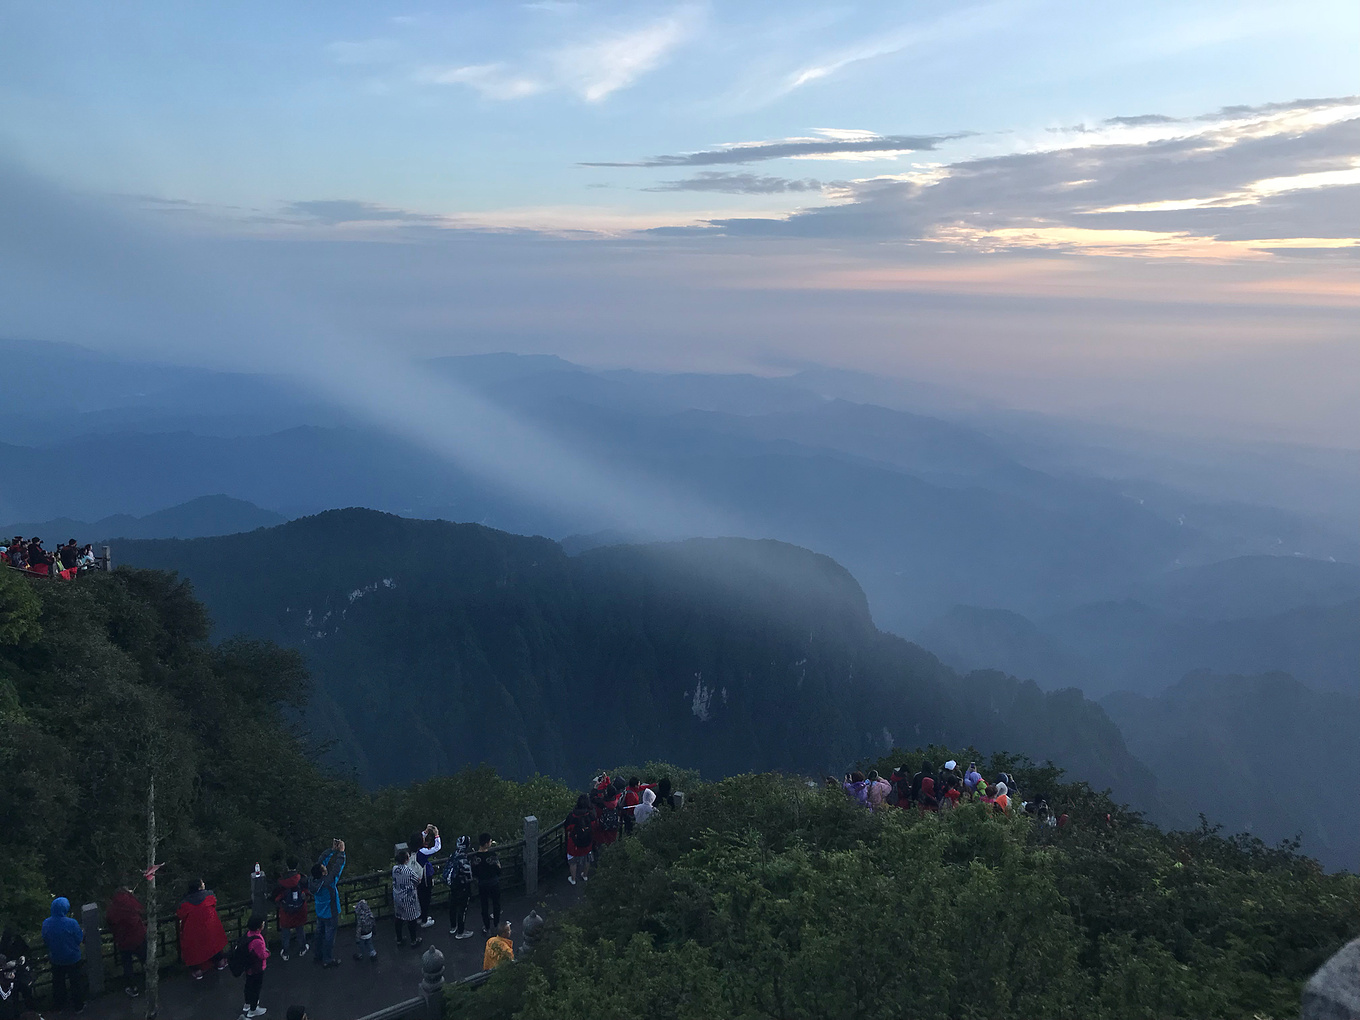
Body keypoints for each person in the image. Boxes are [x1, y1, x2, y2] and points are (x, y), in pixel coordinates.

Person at [177, 879, 228, 979]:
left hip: (192, 931)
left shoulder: (184, 903)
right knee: (213, 942)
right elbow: (214, 902)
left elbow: (180, 914)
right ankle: (219, 961)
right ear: (200, 887)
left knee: (194, 949)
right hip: (210, 927)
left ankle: (197, 971)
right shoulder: (209, 896)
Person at [42, 896, 86, 1011]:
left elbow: (45, 939)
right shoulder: (72, 923)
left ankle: (60, 1006)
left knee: (58, 984)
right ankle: (78, 1006)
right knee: (76, 983)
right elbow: (79, 939)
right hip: (73, 958)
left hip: (56, 958)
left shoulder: (46, 923)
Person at [106, 882, 147, 997]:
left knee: (127, 965)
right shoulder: (131, 902)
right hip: (138, 937)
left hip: (123, 940)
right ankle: (150, 981)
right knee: (145, 960)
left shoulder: (113, 908)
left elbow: (110, 921)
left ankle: (133, 988)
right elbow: (142, 909)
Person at [311, 839, 345, 968]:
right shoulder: (328, 882)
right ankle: (328, 959)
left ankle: (318, 955)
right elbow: (337, 868)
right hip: (331, 912)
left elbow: (320, 862)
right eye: (324, 868)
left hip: (320, 911)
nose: (325, 867)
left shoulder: (313, 881)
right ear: (323, 873)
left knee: (319, 934)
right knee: (329, 937)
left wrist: (332, 850)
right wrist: (341, 852)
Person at [270, 857, 310, 961]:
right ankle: (302, 948)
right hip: (300, 909)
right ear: (297, 865)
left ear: (287, 865)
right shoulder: (302, 878)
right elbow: (308, 892)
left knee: (285, 931)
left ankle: (285, 952)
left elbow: (275, 897)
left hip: (286, 911)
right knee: (300, 929)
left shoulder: (282, 881)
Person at [443, 836, 475, 939]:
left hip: (453, 885)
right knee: (462, 909)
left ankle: (453, 927)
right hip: (462, 886)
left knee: (453, 906)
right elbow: (468, 875)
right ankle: (461, 932)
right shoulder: (463, 858)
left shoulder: (453, 854)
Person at [470, 833, 502, 934]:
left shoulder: (475, 857)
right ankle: (497, 924)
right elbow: (499, 869)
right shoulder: (492, 855)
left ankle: (487, 927)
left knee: (484, 906)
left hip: (482, 884)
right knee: (496, 904)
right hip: (494, 883)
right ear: (487, 843)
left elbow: (473, 872)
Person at [391, 850, 423, 948]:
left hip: (397, 896)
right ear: (406, 859)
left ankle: (399, 939)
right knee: (411, 919)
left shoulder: (395, 868)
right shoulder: (408, 871)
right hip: (408, 898)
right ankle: (414, 940)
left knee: (399, 918)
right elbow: (417, 880)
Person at [241, 913, 270, 1018]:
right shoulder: (257, 940)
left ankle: (247, 1004)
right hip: (257, 968)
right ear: (259, 926)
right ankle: (253, 1009)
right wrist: (268, 953)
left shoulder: (248, 935)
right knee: (256, 988)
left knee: (248, 985)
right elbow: (262, 955)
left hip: (249, 967)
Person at [0, 930, 35, 1014]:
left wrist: (24, 957)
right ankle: (15, 1013)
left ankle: (31, 1010)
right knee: (13, 994)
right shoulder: (3, 946)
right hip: (8, 975)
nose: (12, 940)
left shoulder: (19, 941)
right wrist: (7, 965)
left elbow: (27, 951)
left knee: (26, 989)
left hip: (21, 972)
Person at [564, 795, 595, 886]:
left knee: (573, 861)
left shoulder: (572, 816)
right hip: (588, 842)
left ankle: (573, 879)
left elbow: (567, 828)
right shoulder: (590, 815)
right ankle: (585, 875)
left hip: (574, 844)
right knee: (587, 858)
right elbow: (594, 826)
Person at [414, 825, 440, 928]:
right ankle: (424, 920)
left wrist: (426, 831)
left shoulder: (413, 849)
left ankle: (420, 917)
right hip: (425, 877)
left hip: (417, 876)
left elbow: (417, 839)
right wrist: (436, 835)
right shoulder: (423, 852)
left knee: (420, 897)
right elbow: (437, 848)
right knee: (426, 898)